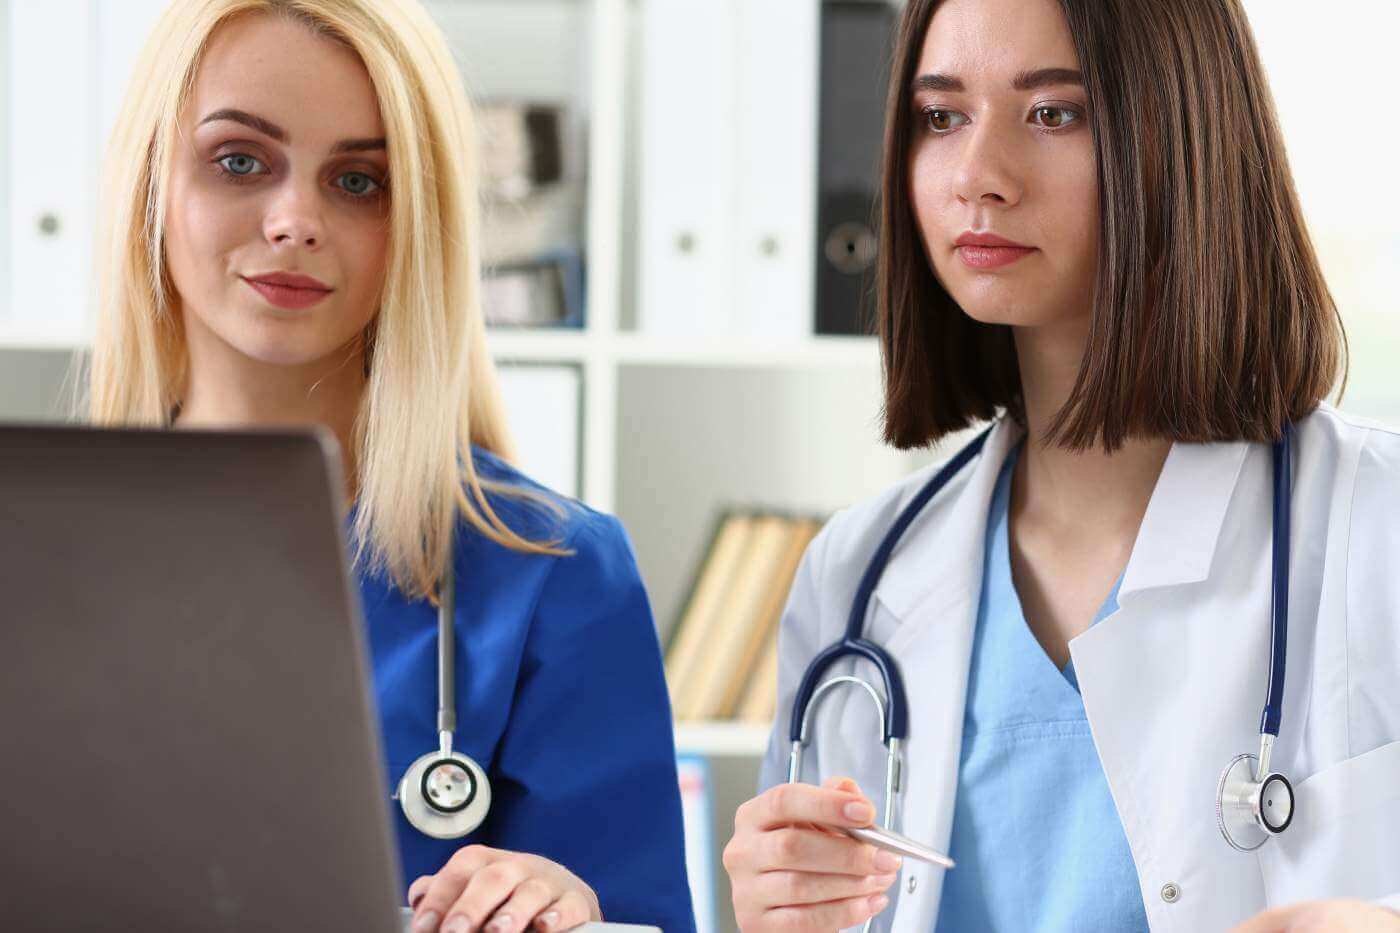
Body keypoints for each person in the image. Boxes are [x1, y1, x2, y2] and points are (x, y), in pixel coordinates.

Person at [722, 0, 1400, 930]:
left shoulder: (1377, 524)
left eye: (1054, 113)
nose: (978, 177)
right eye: (941, 117)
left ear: (1183, 132)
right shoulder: (855, 577)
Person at [86, 2, 695, 931]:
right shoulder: (40, 550)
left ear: (421, 224)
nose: (295, 220)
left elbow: (631, 912)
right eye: (240, 160)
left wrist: (573, 912)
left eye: (360, 181)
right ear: (148, 185)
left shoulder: (555, 575)